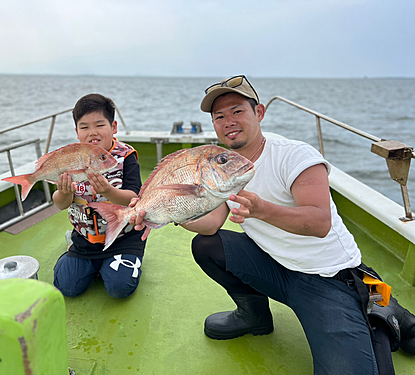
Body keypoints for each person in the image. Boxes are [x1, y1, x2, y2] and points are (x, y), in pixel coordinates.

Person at [130, 76, 415, 374]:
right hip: (276, 266)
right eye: (219, 116)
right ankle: (254, 315)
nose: (229, 121)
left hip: (327, 278)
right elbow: (212, 224)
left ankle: (382, 313)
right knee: (207, 246)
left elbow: (320, 222)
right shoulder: (226, 166)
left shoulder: (295, 155)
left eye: (237, 111)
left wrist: (261, 210)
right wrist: (170, 213)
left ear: (260, 112)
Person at [53, 93, 146, 299]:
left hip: (124, 238)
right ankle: (73, 247)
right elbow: (60, 204)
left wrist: (108, 192)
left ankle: (123, 261)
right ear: (77, 132)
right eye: (84, 127)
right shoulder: (70, 158)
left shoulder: (126, 157)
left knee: (119, 289)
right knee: (66, 287)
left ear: (113, 127)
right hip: (86, 239)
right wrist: (64, 192)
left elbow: (135, 199)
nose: (92, 132)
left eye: (99, 125)